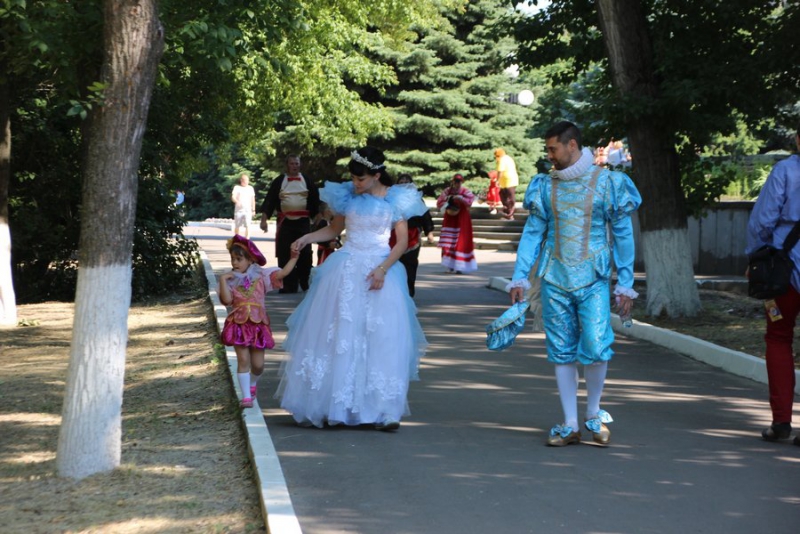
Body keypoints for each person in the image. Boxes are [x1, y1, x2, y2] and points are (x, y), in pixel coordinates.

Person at [507, 121, 642, 447]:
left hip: (593, 279)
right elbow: (533, 233)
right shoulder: (543, 185)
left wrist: (625, 283)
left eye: (553, 148)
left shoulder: (608, 182)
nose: (549, 155)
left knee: (596, 346)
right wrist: (520, 275)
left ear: (571, 145)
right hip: (554, 277)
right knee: (561, 350)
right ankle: (570, 423)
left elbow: (623, 235)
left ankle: (593, 414)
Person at [275, 147, 429, 431]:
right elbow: (334, 231)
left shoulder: (395, 199)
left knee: (382, 337)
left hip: (380, 270)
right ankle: (336, 405)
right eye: (354, 179)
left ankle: (384, 410)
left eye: (361, 179)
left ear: (377, 175)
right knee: (340, 335)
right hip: (346, 269)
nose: (356, 184)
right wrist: (307, 237)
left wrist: (383, 269)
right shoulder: (348, 197)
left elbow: (402, 242)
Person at [746, 123, 800, 446]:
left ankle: (781, 423)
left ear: (797, 139)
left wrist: (755, 259)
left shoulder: (785, 171)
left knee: (778, 339)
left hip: (785, 274)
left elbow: (762, 221)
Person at [218, 235, 299, 408]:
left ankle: (253, 383)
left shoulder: (262, 276)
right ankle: (246, 397)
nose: (235, 263)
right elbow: (225, 301)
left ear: (250, 259)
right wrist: (223, 280)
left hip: (258, 325)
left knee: (258, 365)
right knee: (243, 360)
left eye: (239, 259)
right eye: (233, 259)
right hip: (238, 324)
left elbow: (283, 273)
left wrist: (293, 258)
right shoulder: (231, 280)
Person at [259, 155, 320, 293]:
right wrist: (264, 219)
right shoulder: (280, 181)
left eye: (297, 163)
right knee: (285, 252)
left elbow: (315, 199)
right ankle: (288, 285)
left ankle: (305, 282)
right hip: (285, 222)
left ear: (300, 164)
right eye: (292, 163)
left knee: (305, 252)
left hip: (303, 222)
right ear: (287, 165)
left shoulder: (307, 180)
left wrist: (317, 216)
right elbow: (270, 200)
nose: (295, 166)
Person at [391, 173, 435, 297]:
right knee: (393, 265)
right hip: (393, 236)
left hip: (412, 235)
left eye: (407, 181)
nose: (404, 183)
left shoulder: (416, 198)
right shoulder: (390, 197)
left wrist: (429, 231)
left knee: (410, 265)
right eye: (401, 181)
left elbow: (425, 215)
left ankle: (409, 293)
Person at [436, 173, 478, 274]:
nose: (457, 183)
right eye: (456, 181)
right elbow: (439, 202)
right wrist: (448, 199)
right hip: (450, 219)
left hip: (462, 219)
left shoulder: (465, 191)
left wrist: (461, 198)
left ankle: (460, 266)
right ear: (453, 181)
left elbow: (470, 201)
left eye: (459, 181)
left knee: (460, 241)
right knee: (448, 241)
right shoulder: (447, 191)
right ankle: (450, 265)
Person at [494, 148, 519, 219]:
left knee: (507, 198)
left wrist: (497, 181)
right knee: (509, 197)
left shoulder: (501, 160)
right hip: (512, 180)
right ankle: (508, 214)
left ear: (497, 155)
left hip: (507, 181)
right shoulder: (508, 158)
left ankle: (509, 215)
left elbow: (500, 171)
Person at [231, 173, 256, 238]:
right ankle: (237, 238)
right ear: (241, 180)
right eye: (245, 180)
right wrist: (237, 201)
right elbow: (233, 197)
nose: (247, 182)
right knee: (237, 226)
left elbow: (252, 199)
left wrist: (253, 209)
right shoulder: (237, 188)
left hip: (248, 210)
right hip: (239, 210)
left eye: (247, 180)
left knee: (248, 225)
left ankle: (247, 239)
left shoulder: (250, 188)